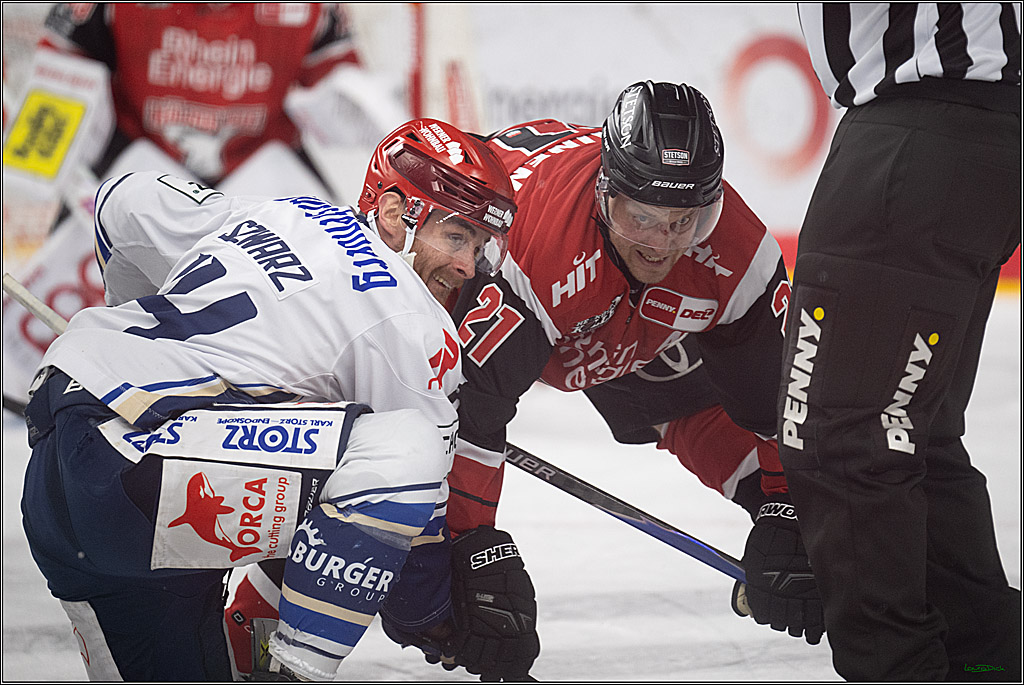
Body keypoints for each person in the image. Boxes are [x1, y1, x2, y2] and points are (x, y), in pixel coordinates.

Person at [20, 118, 536, 681]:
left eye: (480, 246)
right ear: (394, 213)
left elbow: (122, 201)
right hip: (145, 477)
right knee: (407, 450)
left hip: (63, 467)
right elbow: (413, 511)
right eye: (456, 237)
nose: (467, 266)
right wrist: (443, 622)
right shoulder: (414, 322)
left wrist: (141, 329)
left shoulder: (282, 213)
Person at [381, 80, 825, 671]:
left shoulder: (736, 248)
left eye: (684, 222)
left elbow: (780, 402)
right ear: (604, 194)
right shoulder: (535, 247)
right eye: (641, 217)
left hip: (606, 313)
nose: (660, 244)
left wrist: (788, 507)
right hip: (504, 280)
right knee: (413, 440)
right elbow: (475, 416)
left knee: (701, 407)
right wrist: (470, 550)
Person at [778, 4, 1021, 681]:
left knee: (839, 438)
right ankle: (988, 660)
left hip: (918, 128)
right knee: (910, 433)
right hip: (981, 127)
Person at [39, 2, 362, 186]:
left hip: (263, 170)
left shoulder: (315, 9)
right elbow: (55, 76)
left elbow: (343, 86)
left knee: (335, 258)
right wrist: (50, 163)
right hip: (135, 162)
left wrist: (350, 107)